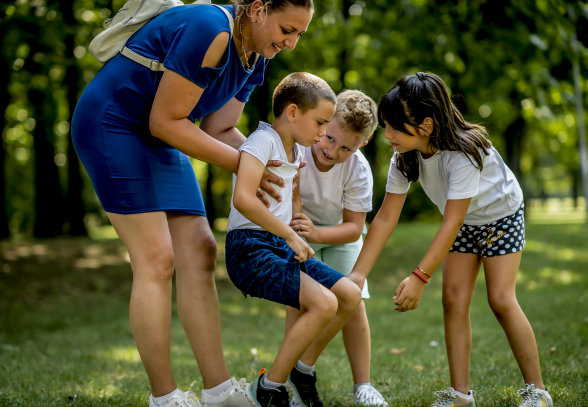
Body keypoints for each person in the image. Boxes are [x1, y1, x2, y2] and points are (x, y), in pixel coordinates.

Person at [71, 1, 315, 406]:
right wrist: (244, 165)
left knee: (200, 251)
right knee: (157, 259)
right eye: (286, 29)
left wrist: (266, 166)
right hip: (114, 123)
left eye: (298, 35)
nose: (289, 43)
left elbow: (219, 128)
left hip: (159, 131)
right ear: (257, 9)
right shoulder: (210, 27)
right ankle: (165, 398)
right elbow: (166, 121)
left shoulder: (257, 55)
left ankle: (218, 391)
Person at [348, 72, 553, 407]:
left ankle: (538, 392)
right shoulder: (404, 157)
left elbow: (451, 222)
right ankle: (460, 396)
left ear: (426, 125)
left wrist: (419, 276)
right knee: (453, 301)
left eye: (395, 127)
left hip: (500, 217)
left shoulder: (463, 154)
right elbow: (385, 217)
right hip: (462, 223)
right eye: (386, 126)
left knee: (500, 299)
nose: (388, 136)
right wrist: (358, 274)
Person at [225, 72, 362, 407]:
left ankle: (301, 368)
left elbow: (293, 193)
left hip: (279, 245)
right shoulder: (262, 141)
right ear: (292, 112)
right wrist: (287, 233)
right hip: (249, 248)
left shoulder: (295, 148)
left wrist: (297, 219)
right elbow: (243, 198)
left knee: (348, 294)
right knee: (324, 303)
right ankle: (270, 387)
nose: (322, 133)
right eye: (320, 123)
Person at [284, 90, 388, 407]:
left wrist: (318, 233)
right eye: (329, 138)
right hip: (298, 235)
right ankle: (289, 380)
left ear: (362, 146)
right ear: (323, 124)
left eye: (346, 147)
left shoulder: (357, 169)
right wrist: (303, 232)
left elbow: (355, 227)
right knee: (297, 303)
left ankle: (363, 385)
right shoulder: (298, 147)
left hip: (340, 237)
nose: (332, 150)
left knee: (353, 303)